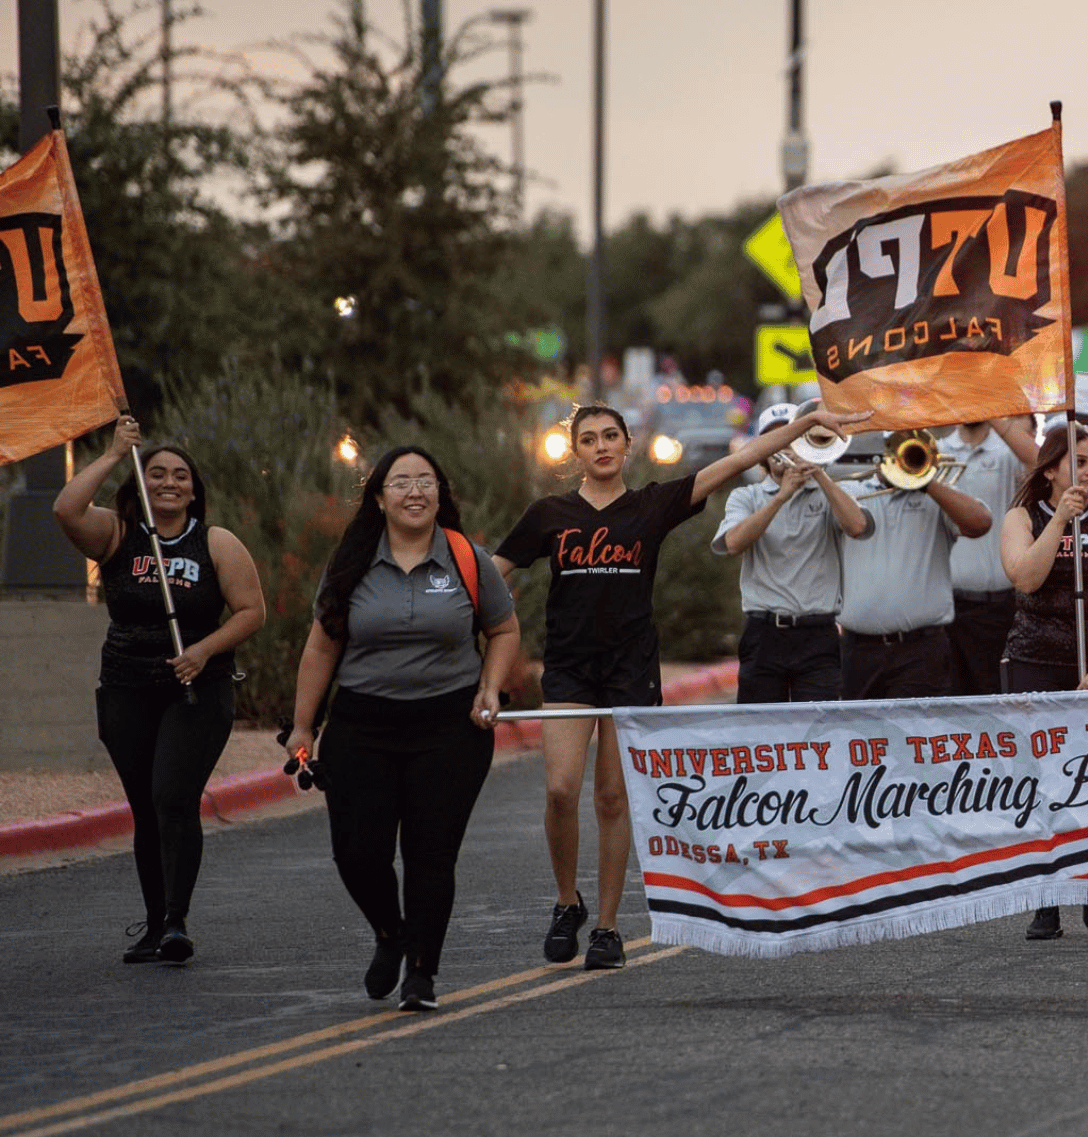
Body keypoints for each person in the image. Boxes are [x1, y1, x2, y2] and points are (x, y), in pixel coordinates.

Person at [496, 401, 863, 971]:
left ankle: (608, 927)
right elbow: (494, 572)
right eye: (588, 439)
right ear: (575, 452)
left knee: (614, 798)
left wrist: (802, 427)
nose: (600, 446)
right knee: (561, 791)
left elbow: (739, 458)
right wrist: (482, 635)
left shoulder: (650, 506)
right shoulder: (550, 513)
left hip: (631, 669)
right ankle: (567, 901)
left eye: (610, 436)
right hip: (570, 668)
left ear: (626, 445)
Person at [288, 447, 522, 1011]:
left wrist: (490, 687)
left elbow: (504, 629)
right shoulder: (352, 561)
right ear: (378, 497)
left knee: (430, 855)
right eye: (401, 482)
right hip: (361, 724)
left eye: (426, 481)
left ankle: (422, 972)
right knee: (357, 855)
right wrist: (301, 728)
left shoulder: (468, 558)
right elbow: (322, 645)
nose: (414, 492)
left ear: (441, 494)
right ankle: (391, 934)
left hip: (449, 728)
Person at [53, 417, 266, 965]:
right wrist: (112, 453)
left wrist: (203, 650)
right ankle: (152, 926)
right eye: (156, 474)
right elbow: (65, 510)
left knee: (173, 797)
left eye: (180, 476)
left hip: (196, 687)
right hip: (126, 687)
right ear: (140, 483)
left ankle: (176, 922)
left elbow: (251, 612)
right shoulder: (118, 534)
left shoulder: (215, 542)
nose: (169, 483)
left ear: (195, 490)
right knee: (146, 808)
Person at [1002, 430, 1088, 940]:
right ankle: (1047, 897)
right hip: (1035, 660)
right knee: (1039, 783)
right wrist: (1059, 519)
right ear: (1050, 470)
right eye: (1080, 462)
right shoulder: (1022, 519)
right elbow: (1024, 577)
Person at [711, 403, 870, 703]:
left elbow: (857, 526)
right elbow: (733, 544)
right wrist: (781, 497)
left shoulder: (833, 493)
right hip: (764, 633)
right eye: (776, 439)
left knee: (818, 734)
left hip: (819, 633)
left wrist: (818, 472)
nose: (785, 447)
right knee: (761, 734)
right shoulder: (747, 496)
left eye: (793, 437)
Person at [836, 433, 994, 699]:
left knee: (918, 736)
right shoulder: (853, 494)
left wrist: (926, 481)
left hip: (921, 649)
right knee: (861, 737)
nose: (901, 459)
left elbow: (980, 523)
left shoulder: (938, 497)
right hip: (858, 650)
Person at [941, 416, 1040, 694]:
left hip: (998, 607)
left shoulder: (1007, 450)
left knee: (997, 696)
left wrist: (993, 410)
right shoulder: (933, 451)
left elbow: (1040, 462)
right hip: (946, 610)